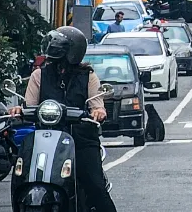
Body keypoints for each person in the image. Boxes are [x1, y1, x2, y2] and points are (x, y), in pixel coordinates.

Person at [10, 27, 116, 212]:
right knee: (24, 177)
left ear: (73, 51)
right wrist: (20, 110)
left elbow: (97, 104)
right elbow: (29, 105)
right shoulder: (39, 75)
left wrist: (98, 112)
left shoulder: (88, 76)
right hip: (45, 141)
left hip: (81, 140)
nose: (53, 51)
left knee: (95, 187)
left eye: (59, 47)